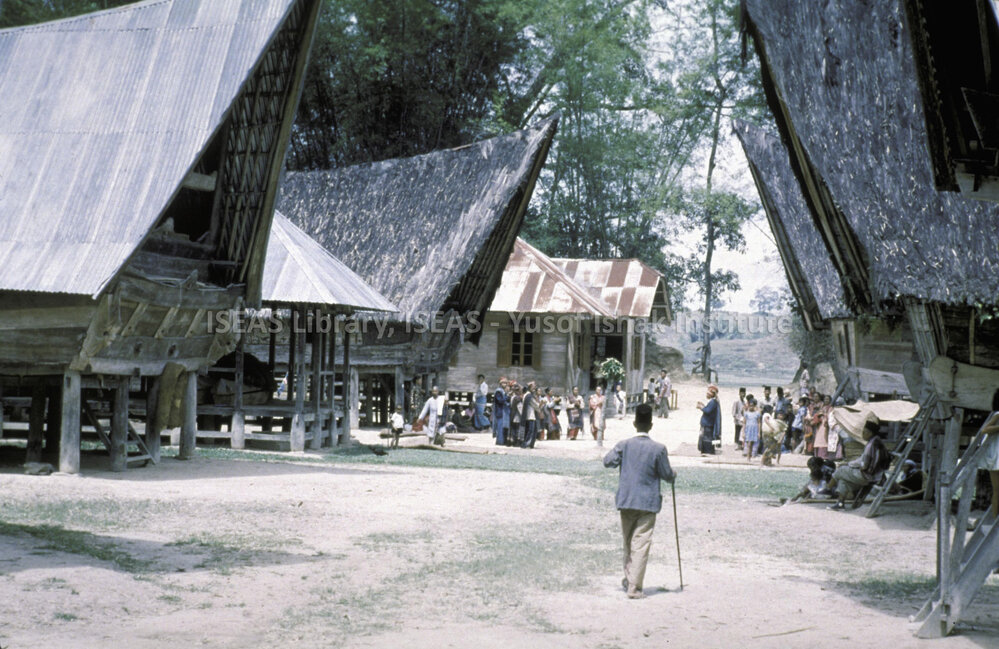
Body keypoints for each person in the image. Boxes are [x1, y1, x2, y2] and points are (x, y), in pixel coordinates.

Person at [603, 403, 676, 599]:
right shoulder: (659, 449)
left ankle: (630, 580)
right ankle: (634, 587)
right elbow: (667, 474)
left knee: (628, 543)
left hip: (626, 501)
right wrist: (673, 475)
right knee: (640, 544)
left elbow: (607, 461)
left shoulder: (624, 445)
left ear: (635, 424)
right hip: (648, 504)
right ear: (650, 425)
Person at [827, 421, 891, 510]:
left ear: (870, 433)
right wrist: (849, 464)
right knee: (843, 479)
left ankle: (827, 489)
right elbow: (862, 459)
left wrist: (850, 465)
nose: (862, 434)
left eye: (864, 432)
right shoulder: (877, 442)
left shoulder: (871, 446)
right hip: (876, 475)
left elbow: (864, 465)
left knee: (841, 470)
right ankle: (840, 503)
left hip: (867, 476)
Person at [976, 390, 999, 519]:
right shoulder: (998, 414)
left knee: (997, 490)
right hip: (996, 454)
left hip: (996, 454)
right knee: (997, 490)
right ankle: (996, 520)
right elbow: (985, 430)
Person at [696, 384, 722, 454]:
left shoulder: (713, 402)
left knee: (707, 438)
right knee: (706, 438)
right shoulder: (713, 401)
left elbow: (708, 411)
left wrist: (701, 407)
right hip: (707, 423)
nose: (706, 394)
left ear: (712, 394)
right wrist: (703, 406)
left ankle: (708, 451)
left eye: (708, 393)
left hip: (708, 423)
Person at [492, 378, 510, 446]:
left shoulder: (503, 391)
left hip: (503, 412)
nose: (504, 384)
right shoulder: (498, 391)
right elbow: (500, 401)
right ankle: (500, 441)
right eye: (503, 383)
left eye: (505, 383)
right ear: (500, 384)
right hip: (500, 412)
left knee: (503, 427)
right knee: (500, 428)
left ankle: (502, 441)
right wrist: (507, 397)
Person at [521, 381, 538, 448]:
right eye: (533, 387)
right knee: (530, 431)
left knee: (529, 430)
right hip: (530, 415)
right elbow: (536, 406)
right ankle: (527, 444)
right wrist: (541, 405)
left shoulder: (526, 395)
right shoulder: (529, 396)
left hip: (527, 415)